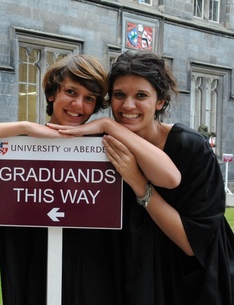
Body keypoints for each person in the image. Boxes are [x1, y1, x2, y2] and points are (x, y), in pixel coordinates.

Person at [0, 54, 180, 305]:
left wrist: (109, 125)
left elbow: (170, 177)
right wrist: (25, 127)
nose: (78, 105)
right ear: (51, 93)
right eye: (71, 92)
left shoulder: (105, 147)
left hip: (98, 274)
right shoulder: (17, 149)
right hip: (32, 268)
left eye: (89, 99)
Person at [51, 50, 234, 305]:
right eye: (119, 95)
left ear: (160, 101)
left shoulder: (191, 149)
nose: (128, 106)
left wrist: (138, 183)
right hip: (129, 275)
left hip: (187, 281)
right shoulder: (102, 146)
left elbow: (194, 243)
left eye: (141, 96)